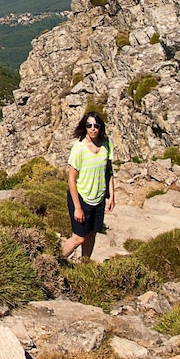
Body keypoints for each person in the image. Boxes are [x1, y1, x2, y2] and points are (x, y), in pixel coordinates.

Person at [61, 110, 115, 261]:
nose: (93, 128)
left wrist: (111, 196)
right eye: (89, 125)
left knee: (92, 234)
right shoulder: (79, 148)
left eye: (96, 125)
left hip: (98, 199)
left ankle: (84, 265)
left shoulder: (106, 144)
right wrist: (78, 208)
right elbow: (71, 179)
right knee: (79, 237)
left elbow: (109, 172)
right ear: (84, 127)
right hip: (81, 198)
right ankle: (55, 261)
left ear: (101, 127)